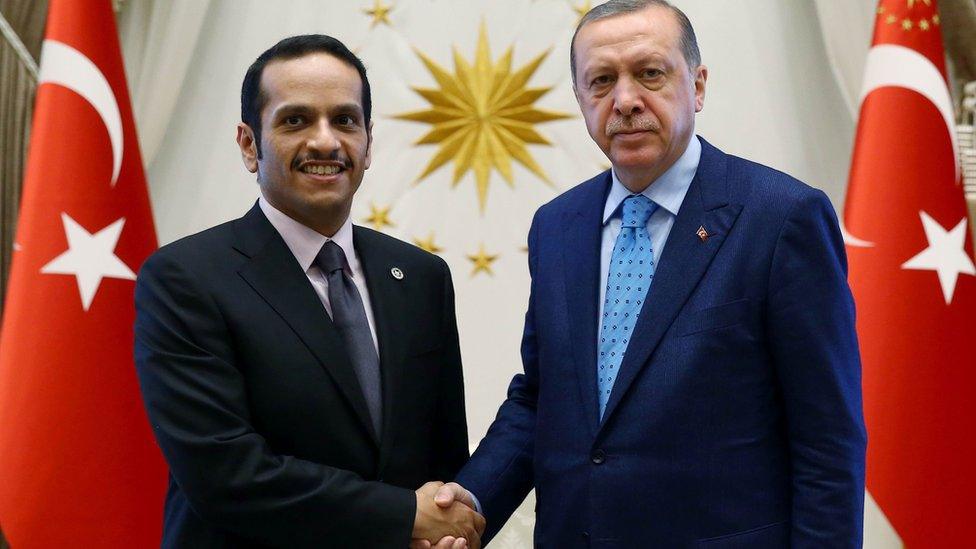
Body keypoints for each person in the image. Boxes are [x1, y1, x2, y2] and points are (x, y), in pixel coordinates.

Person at [426, 1, 866, 547]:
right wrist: (471, 500)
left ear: (698, 86)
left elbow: (827, 439)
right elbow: (543, 397)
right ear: (581, 99)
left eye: (650, 73)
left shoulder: (782, 218)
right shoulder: (558, 226)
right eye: (602, 81)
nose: (626, 100)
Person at [134, 35, 484, 548]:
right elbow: (227, 475)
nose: (326, 142)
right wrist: (403, 517)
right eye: (295, 120)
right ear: (249, 144)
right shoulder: (185, 280)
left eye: (345, 120)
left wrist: (451, 520)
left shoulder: (421, 277)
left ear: (368, 144)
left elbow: (442, 459)